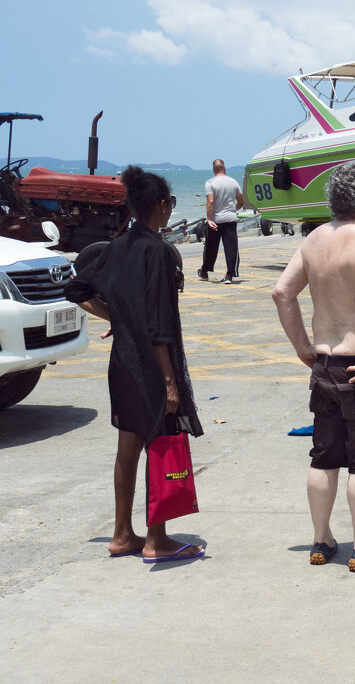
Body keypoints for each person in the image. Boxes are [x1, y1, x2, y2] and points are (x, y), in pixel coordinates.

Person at [271, 161, 355, 572]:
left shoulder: (314, 240)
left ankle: (321, 540)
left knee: (324, 457)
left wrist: (303, 347)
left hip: (326, 366)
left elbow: (282, 292)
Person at [66, 166, 205, 563]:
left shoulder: (116, 246)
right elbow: (160, 325)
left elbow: (75, 288)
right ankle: (156, 540)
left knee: (128, 444)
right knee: (159, 443)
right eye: (170, 205)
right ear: (161, 207)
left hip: (122, 362)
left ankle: (122, 533)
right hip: (150, 365)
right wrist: (169, 382)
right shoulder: (157, 251)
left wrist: (118, 318)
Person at [198, 158, 245, 284]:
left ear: (213, 169)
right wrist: (232, 210)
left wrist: (208, 219)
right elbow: (241, 201)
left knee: (210, 247)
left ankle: (204, 271)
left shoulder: (210, 182)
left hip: (215, 220)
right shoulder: (233, 182)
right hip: (230, 219)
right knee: (231, 247)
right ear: (224, 168)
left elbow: (210, 202)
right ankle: (230, 274)